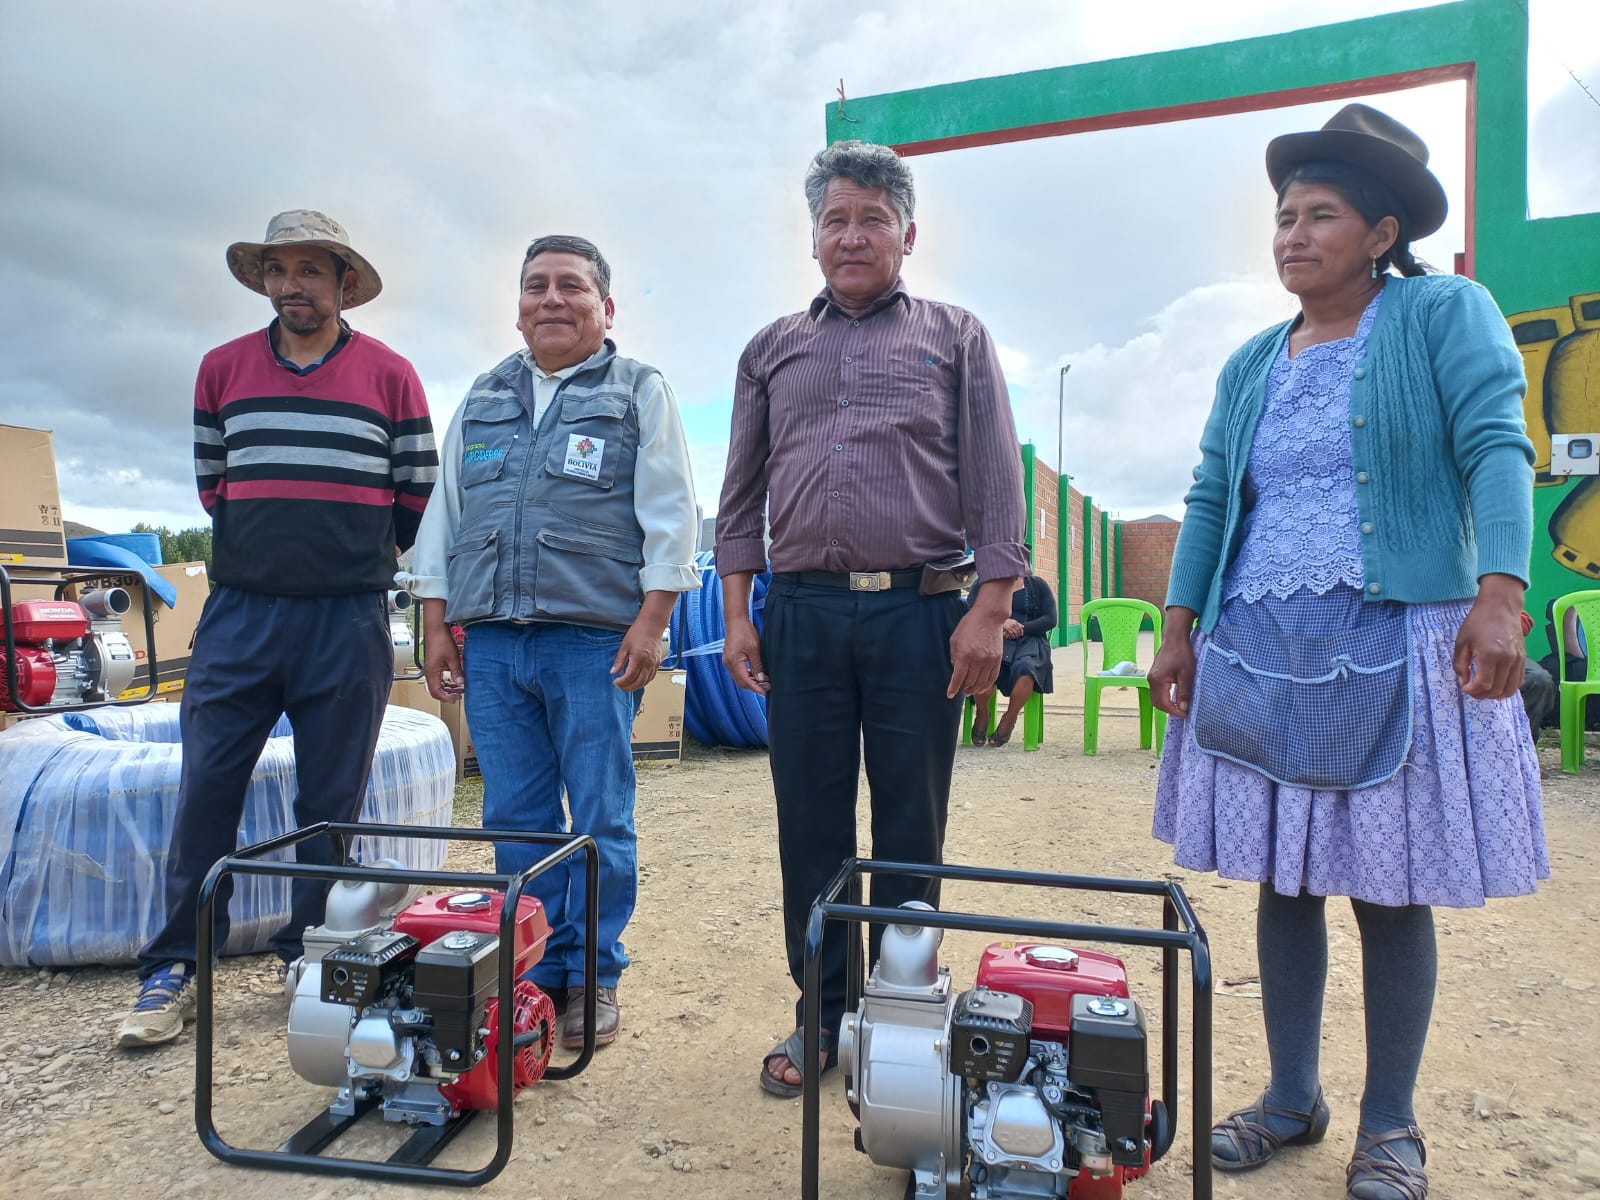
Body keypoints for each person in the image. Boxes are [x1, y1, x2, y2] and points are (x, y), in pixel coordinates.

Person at [1147, 106, 1548, 1200]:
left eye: (1319, 215)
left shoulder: (1437, 313)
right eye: (1282, 217)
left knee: (1385, 886)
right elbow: (1206, 496)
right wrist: (1179, 628)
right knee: (1284, 880)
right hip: (1262, 640)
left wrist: (1502, 595)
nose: (1292, 234)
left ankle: (1389, 1126)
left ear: (1379, 233)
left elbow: (1495, 444)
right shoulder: (1251, 360)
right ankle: (1289, 1098)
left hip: (1397, 633)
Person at [715, 140, 1027, 1097]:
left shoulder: (955, 336)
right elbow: (739, 501)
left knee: (909, 821)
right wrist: (738, 614)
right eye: (835, 220)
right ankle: (825, 1011)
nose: (852, 236)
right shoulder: (771, 350)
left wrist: (989, 609)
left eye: (872, 219)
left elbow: (996, 484)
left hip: (919, 616)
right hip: (801, 614)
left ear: (907, 233)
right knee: (808, 821)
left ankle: (900, 1008)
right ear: (813, 239)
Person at [118, 210, 437, 1048]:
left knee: (331, 803)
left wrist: (342, 557)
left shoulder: (392, 375)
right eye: (278, 270)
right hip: (241, 615)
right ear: (265, 281)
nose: (293, 286)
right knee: (207, 789)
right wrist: (277, 552)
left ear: (341, 283)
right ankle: (174, 968)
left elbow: (415, 493)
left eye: (309, 271)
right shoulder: (221, 369)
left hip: (348, 615)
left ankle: (310, 952)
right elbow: (214, 484)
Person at [407, 235, 699, 1049]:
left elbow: (670, 510)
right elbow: (447, 517)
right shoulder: (484, 396)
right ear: (518, 305)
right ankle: (533, 971)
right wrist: (436, 623)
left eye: (572, 285)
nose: (551, 299)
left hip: (593, 642)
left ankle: (595, 977)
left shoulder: (637, 390)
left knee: (601, 815)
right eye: (536, 285)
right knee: (517, 819)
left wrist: (653, 620)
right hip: (494, 645)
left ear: (605, 307)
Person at [971, 554, 1057, 747]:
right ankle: (983, 713)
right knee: (985, 664)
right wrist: (1000, 624)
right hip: (993, 637)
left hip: (1031, 641)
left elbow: (1051, 619)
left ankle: (1009, 718)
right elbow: (971, 611)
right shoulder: (984, 584)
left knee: (1027, 668)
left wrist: (1021, 628)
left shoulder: (1038, 585)